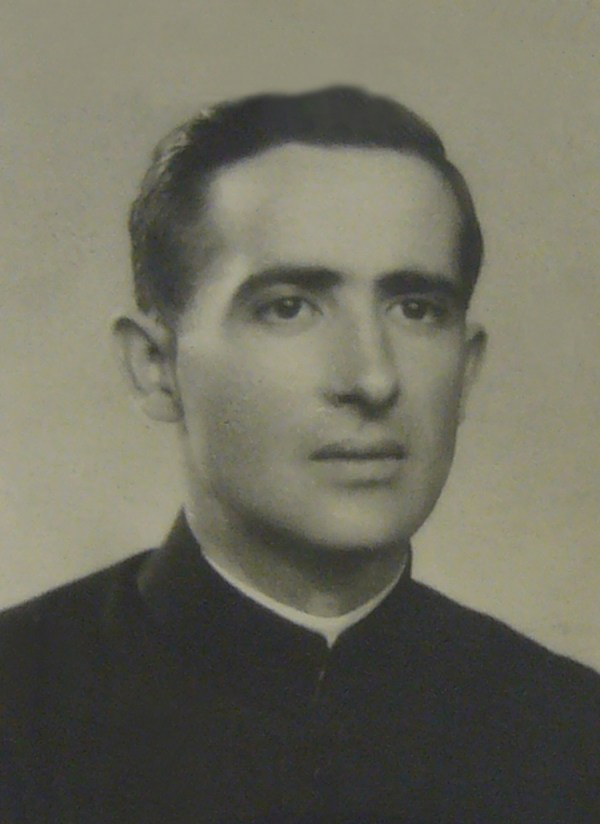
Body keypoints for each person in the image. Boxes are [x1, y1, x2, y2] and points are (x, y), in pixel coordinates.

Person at [1, 86, 598, 824]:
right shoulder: (18, 711)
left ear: (466, 369)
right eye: (288, 307)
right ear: (156, 367)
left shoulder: (574, 734)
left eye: (416, 309)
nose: (373, 378)